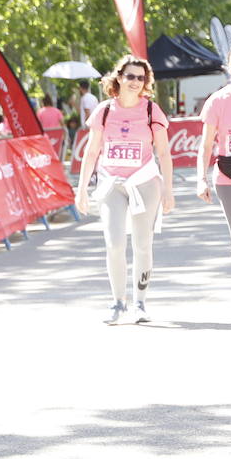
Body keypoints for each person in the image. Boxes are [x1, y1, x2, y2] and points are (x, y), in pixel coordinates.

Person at [75, 55, 175, 324]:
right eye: (130, 76)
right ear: (118, 77)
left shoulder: (152, 111)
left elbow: (164, 152)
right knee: (115, 243)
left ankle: (140, 303)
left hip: (144, 182)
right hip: (111, 184)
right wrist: (81, 188)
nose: (135, 82)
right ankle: (118, 302)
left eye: (141, 78)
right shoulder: (105, 111)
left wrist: (168, 189)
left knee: (143, 245)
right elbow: (92, 151)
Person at [195, 42, 231, 312]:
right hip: (228, 177)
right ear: (228, 67)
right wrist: (200, 179)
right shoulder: (217, 101)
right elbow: (205, 145)